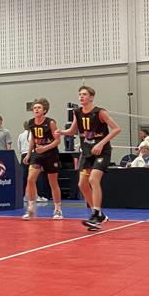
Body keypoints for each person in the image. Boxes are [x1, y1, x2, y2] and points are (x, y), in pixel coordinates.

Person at [56, 84, 121, 230]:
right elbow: (72, 131)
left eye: (84, 94)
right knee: (82, 184)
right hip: (87, 153)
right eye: (80, 94)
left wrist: (101, 143)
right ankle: (98, 215)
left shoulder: (100, 112)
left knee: (93, 179)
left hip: (101, 152)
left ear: (91, 97)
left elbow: (117, 129)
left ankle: (96, 214)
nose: (81, 96)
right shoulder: (77, 112)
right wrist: (61, 132)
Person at [22, 98, 63, 220]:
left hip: (51, 154)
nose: (36, 110)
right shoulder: (31, 122)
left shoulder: (50, 123)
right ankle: (31, 208)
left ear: (44, 110)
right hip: (37, 155)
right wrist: (29, 154)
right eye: (34, 108)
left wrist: (44, 148)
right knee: (30, 179)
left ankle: (57, 210)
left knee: (53, 182)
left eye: (39, 108)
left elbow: (58, 141)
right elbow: (33, 140)